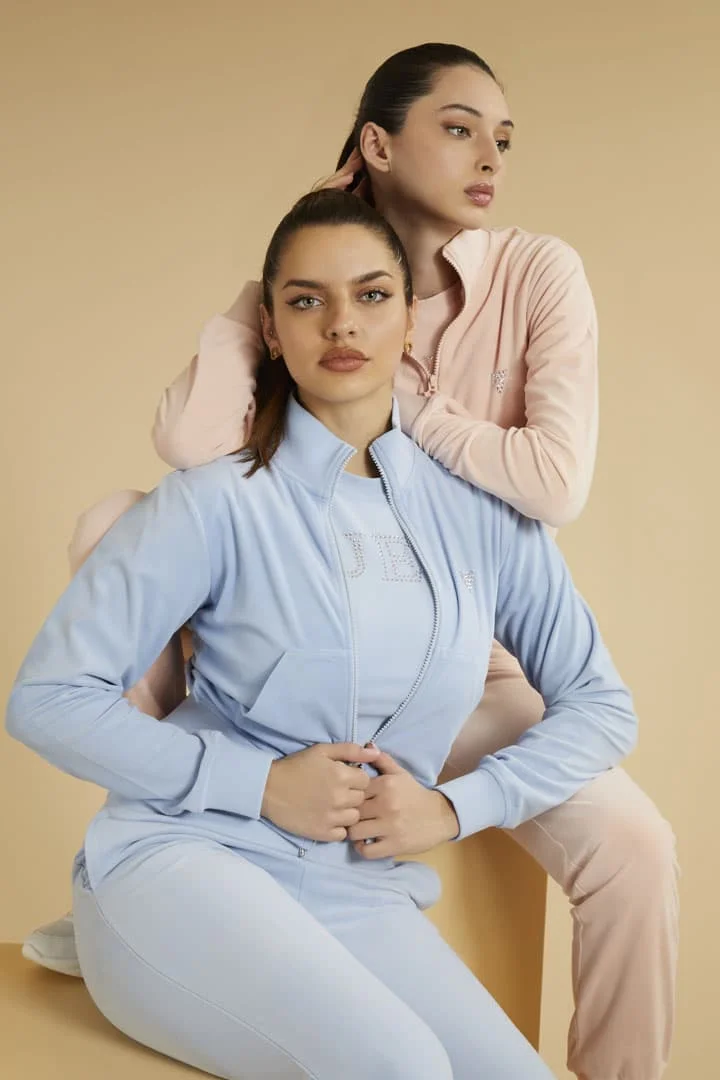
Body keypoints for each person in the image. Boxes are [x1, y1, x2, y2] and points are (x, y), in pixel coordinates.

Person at [21, 43, 678, 1080]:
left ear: (408, 320)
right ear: (270, 326)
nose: (341, 324)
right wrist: (254, 783)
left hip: (359, 878)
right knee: (405, 1065)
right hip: (191, 854)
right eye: (304, 301)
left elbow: (599, 696)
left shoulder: (477, 509)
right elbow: (48, 698)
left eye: (372, 296)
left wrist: (451, 807)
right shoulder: (217, 501)